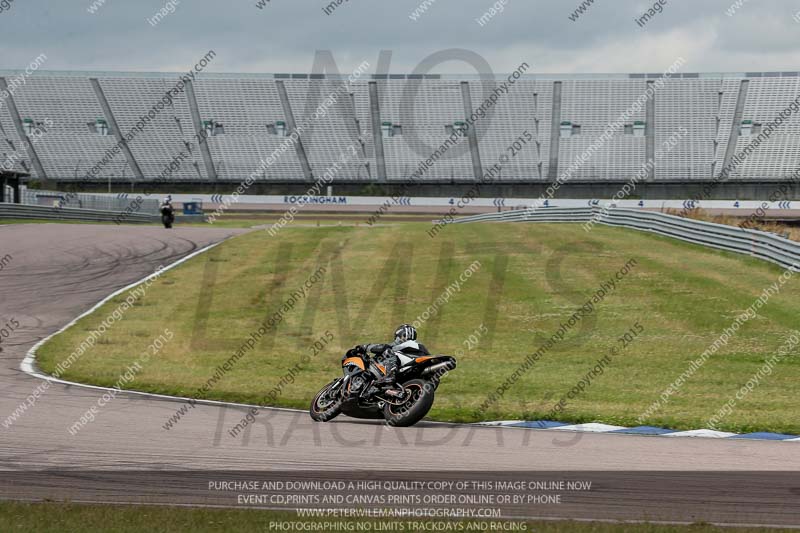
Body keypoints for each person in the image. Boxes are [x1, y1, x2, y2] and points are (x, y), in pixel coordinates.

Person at [345, 324, 429, 386]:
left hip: (409, 364)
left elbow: (383, 347)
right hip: (409, 370)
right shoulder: (417, 346)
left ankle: (390, 375)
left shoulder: (404, 345)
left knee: (387, 351)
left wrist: (363, 347)